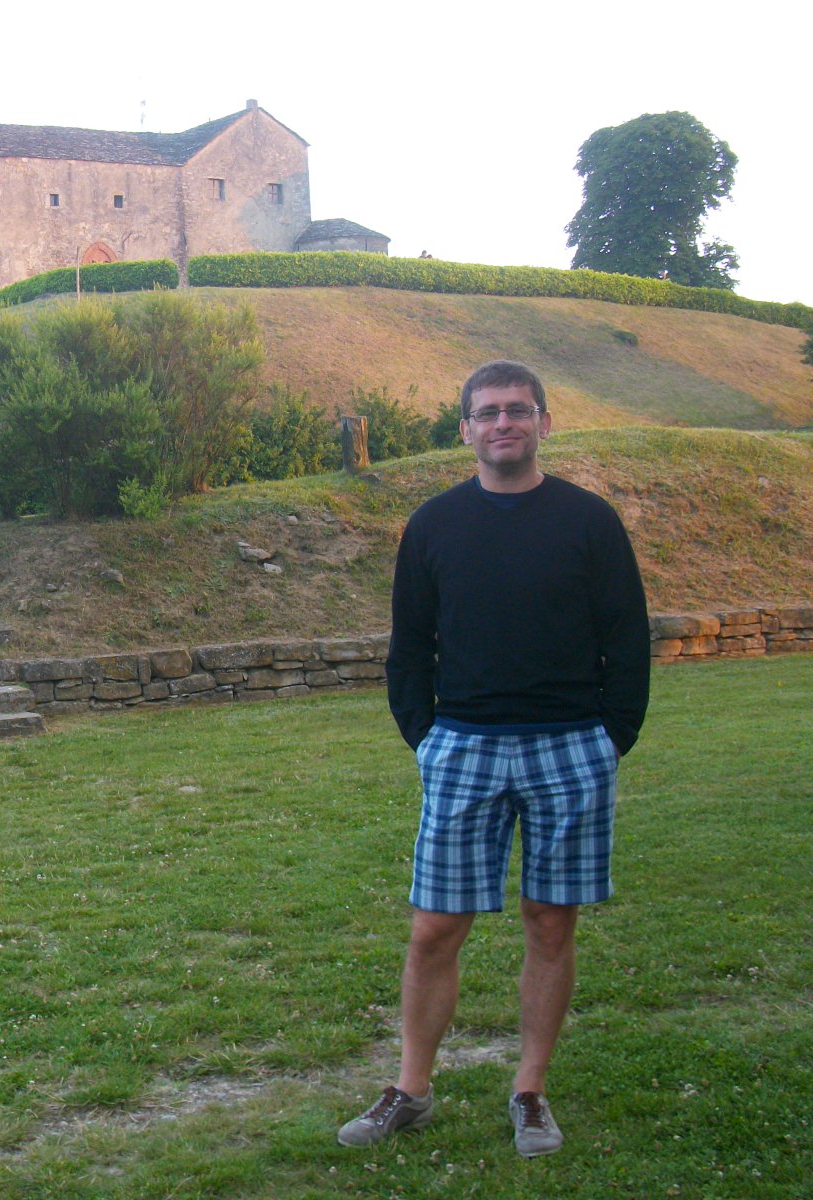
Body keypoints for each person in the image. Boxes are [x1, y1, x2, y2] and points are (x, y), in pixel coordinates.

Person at [338, 360, 649, 1157]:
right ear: (466, 429)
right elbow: (410, 645)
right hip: (465, 746)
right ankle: (411, 1090)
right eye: (488, 412)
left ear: (544, 421)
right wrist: (427, 737)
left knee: (550, 922)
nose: (503, 422)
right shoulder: (434, 524)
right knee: (434, 929)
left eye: (518, 409)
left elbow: (626, 636)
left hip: (570, 746)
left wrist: (610, 736)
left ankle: (530, 1091)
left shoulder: (589, 521)